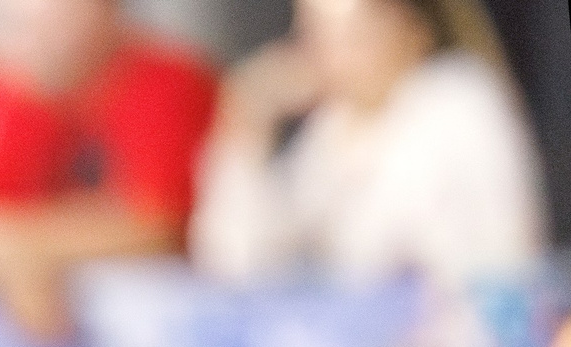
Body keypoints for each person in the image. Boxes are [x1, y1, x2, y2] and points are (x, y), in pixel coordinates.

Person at [0, 0, 219, 340]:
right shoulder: (0, 85)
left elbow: (159, 230)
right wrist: (9, 258)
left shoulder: (169, 81)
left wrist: (13, 250)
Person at [192, 0, 544, 286]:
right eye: (319, 37)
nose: (337, 57)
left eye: (356, 35)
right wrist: (248, 123)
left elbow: (398, 252)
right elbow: (239, 264)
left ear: (413, 27)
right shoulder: (332, 130)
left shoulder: (458, 101)